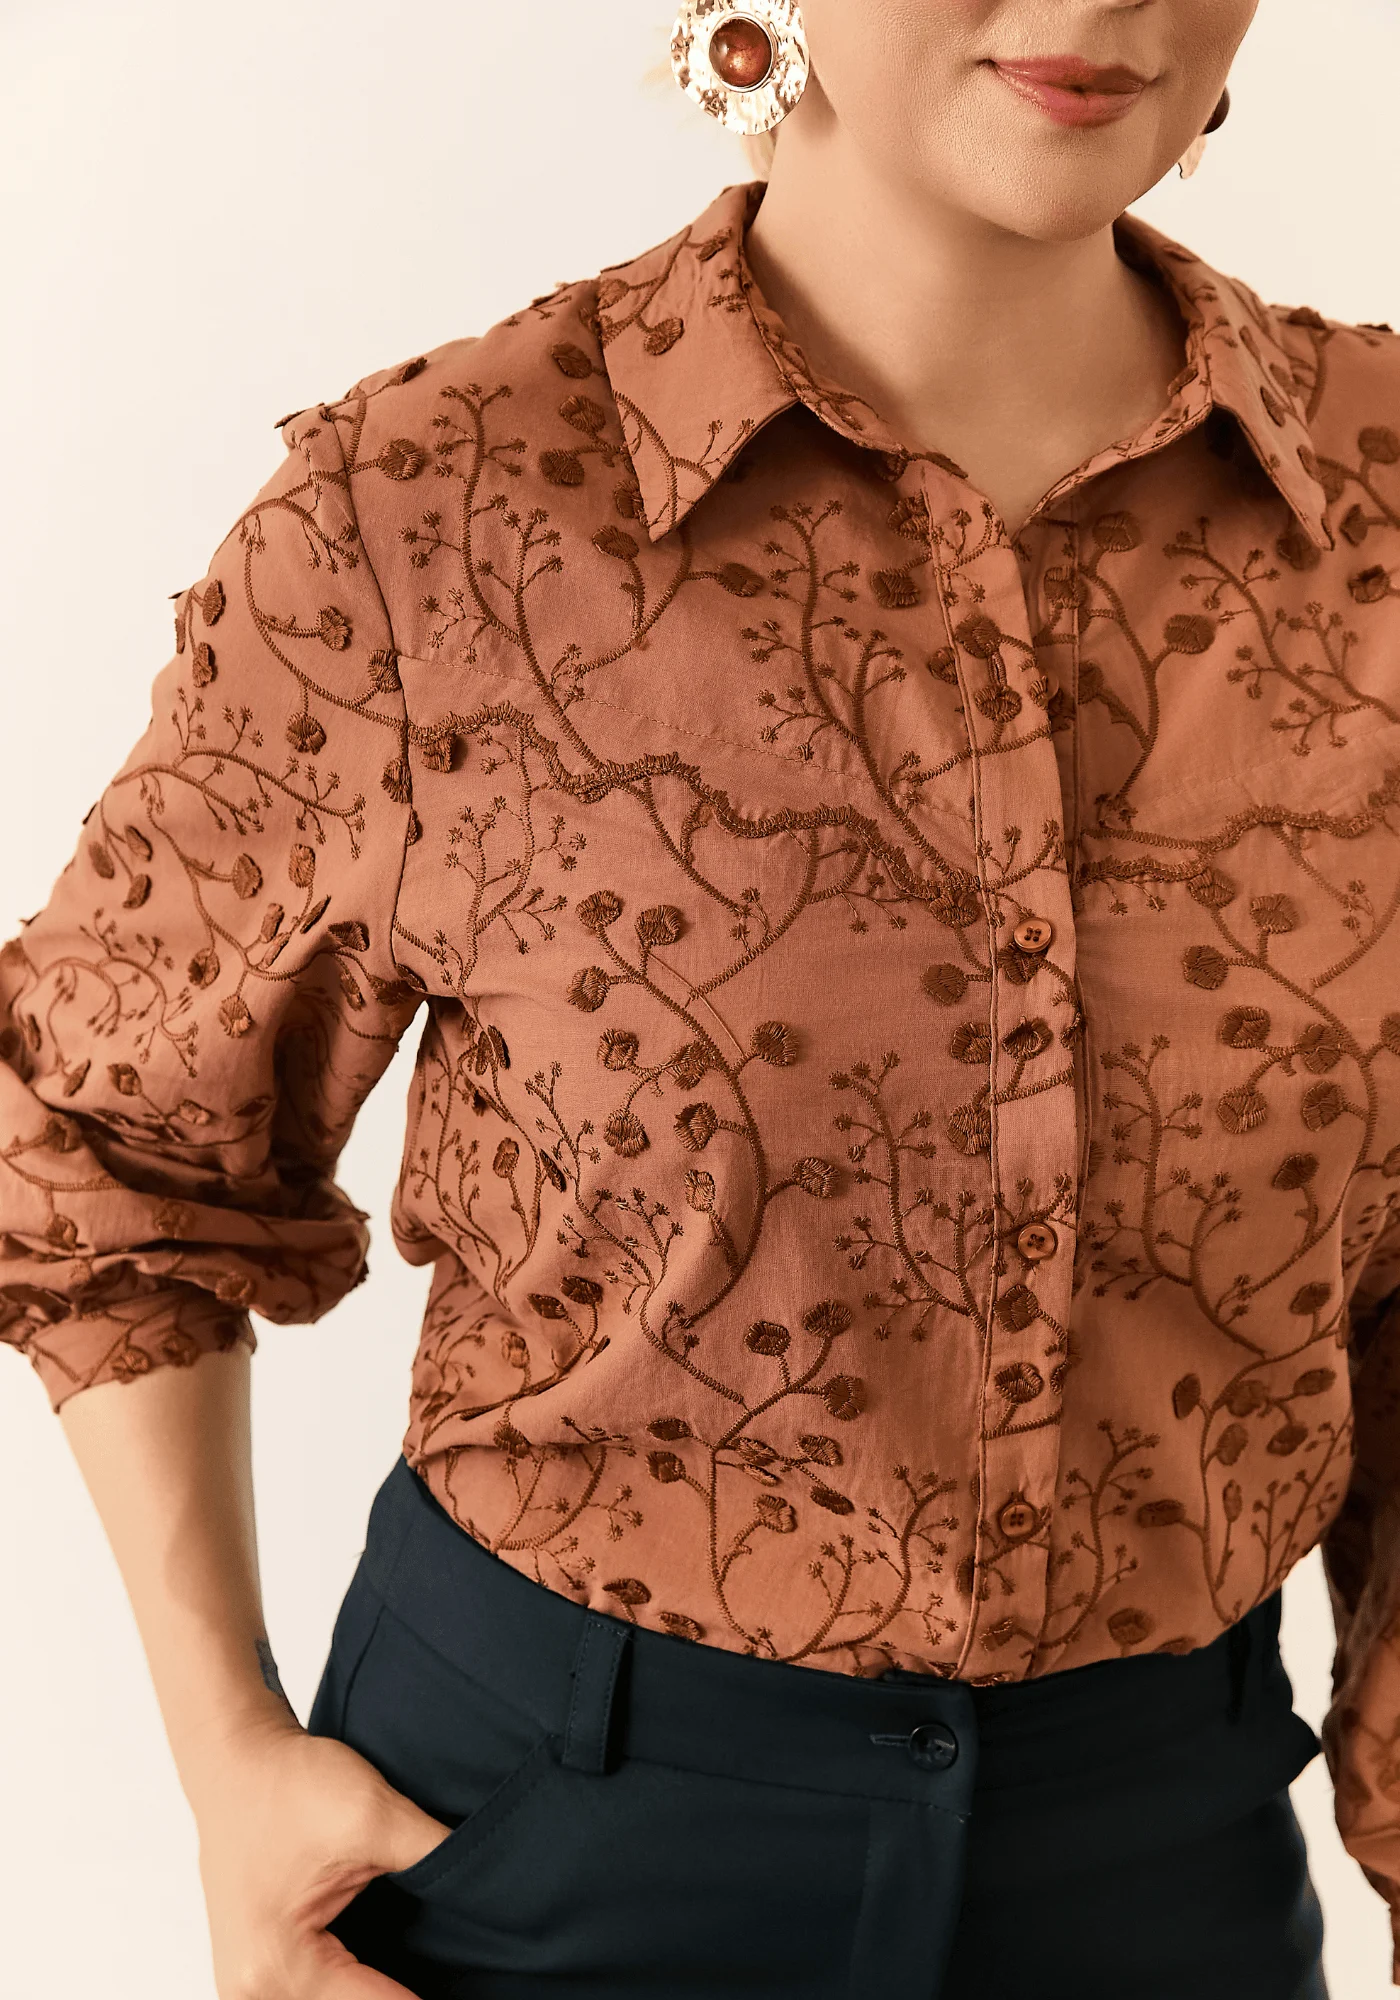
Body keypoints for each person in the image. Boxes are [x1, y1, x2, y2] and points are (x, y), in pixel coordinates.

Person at [7, 0, 1400, 1992]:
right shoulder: (437, 515)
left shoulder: (1379, 513)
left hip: (1160, 1866)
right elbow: (101, 1142)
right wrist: (228, 1760)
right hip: (547, 1853)